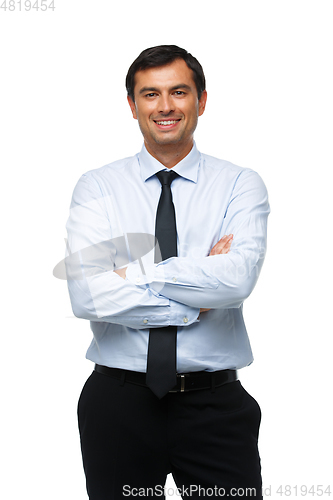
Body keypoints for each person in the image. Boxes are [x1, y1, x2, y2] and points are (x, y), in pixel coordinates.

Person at [65, 45, 270, 499]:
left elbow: (236, 280)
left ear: (201, 100)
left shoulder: (240, 184)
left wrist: (131, 273)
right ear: (132, 105)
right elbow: (86, 296)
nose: (165, 107)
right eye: (150, 94)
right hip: (118, 405)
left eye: (179, 92)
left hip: (215, 407)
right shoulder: (98, 186)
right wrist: (197, 295)